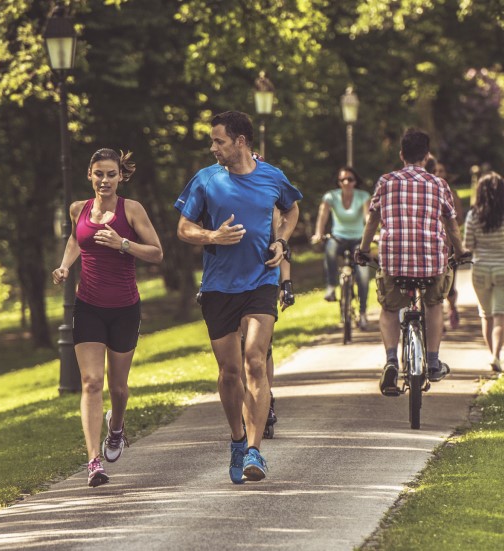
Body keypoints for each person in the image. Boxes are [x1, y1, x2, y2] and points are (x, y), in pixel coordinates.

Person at [174, 111, 301, 484]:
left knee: (255, 361)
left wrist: (281, 241)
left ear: (240, 142)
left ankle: (255, 450)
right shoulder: (206, 180)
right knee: (230, 373)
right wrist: (212, 237)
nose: (214, 148)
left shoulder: (272, 176)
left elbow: (292, 209)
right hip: (218, 288)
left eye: (219, 141)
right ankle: (236, 438)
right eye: (213, 142)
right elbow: (183, 227)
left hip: (261, 280)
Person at [52, 148, 164, 487]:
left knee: (118, 387)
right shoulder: (78, 210)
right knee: (90, 383)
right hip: (88, 307)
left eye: (111, 174)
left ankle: (116, 428)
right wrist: (64, 266)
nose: (104, 180)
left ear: (120, 177)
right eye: (98, 174)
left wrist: (122, 243)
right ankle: (93, 462)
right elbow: (76, 239)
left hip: (125, 309)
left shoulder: (131, 210)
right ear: (89, 174)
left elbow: (157, 253)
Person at [357, 129, 468, 395]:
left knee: (389, 307)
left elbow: (372, 219)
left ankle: (392, 360)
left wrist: (362, 250)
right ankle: (432, 361)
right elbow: (451, 224)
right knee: (434, 303)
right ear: (427, 156)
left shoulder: (385, 182)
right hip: (431, 260)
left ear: (401, 155)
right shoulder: (438, 184)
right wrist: (461, 252)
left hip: (394, 260)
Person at [464, 173, 504, 372]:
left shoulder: (473, 215)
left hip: (481, 269)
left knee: (486, 315)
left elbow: (468, 244)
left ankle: (492, 355)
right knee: (501, 315)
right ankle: (496, 356)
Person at [311, 166, 372, 329]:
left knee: (364, 275)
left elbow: (368, 217)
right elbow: (323, 215)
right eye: (342, 180)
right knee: (329, 249)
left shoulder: (363, 196)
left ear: (355, 181)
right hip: (338, 237)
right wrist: (318, 233)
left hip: (358, 239)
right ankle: (331, 287)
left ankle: (363, 312)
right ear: (338, 182)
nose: (346, 182)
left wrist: (373, 233)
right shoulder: (331, 196)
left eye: (350, 179)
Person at [425, 155, 462, 329]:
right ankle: (436, 321)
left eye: (441, 171)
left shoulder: (450, 193)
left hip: (448, 246)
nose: (438, 173)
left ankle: (452, 307)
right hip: (430, 246)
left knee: (449, 285)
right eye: (436, 171)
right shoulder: (424, 191)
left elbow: (459, 218)